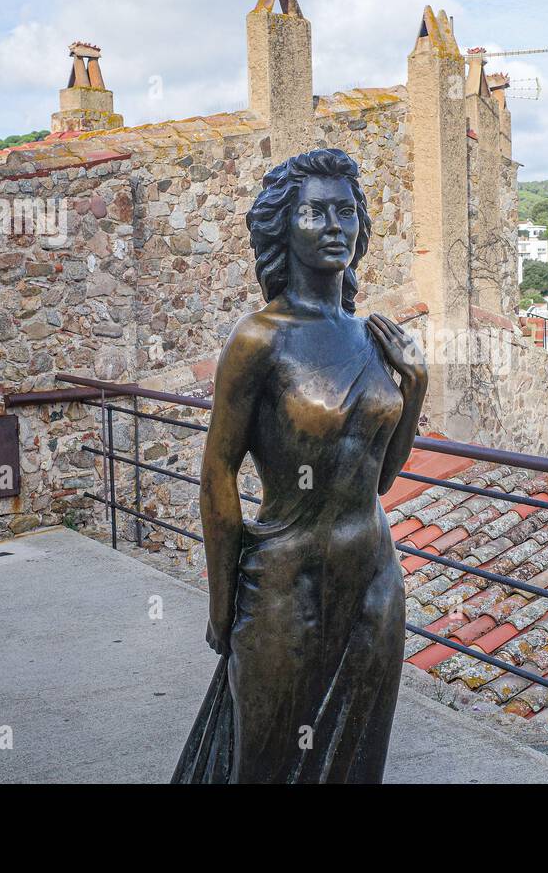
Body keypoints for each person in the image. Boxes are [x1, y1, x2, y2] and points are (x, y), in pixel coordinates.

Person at [171, 148, 426, 783]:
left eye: (347, 211)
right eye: (315, 212)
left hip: (373, 578)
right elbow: (217, 472)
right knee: (267, 763)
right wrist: (223, 604)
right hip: (285, 583)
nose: (335, 225)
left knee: (356, 763)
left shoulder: (371, 337)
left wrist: (415, 387)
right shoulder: (260, 337)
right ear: (284, 227)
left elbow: (380, 478)